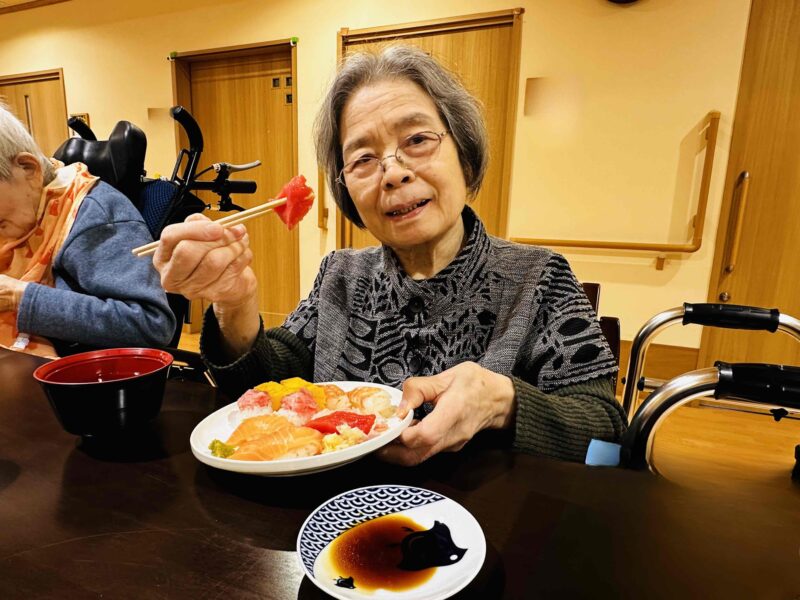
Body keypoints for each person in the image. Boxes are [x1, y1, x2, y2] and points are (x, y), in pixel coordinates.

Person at [153, 45, 626, 465]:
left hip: (486, 526)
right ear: (347, 188)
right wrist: (235, 302)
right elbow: (264, 389)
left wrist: (503, 403)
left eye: (417, 140)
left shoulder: (538, 278)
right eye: (363, 158)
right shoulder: (341, 274)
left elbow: (606, 437)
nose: (393, 173)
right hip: (337, 518)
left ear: (463, 151)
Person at [0, 102, 176, 357]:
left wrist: (21, 297)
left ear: (29, 169)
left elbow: (151, 324)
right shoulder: (19, 212)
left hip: (75, 373)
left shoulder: (94, 216)